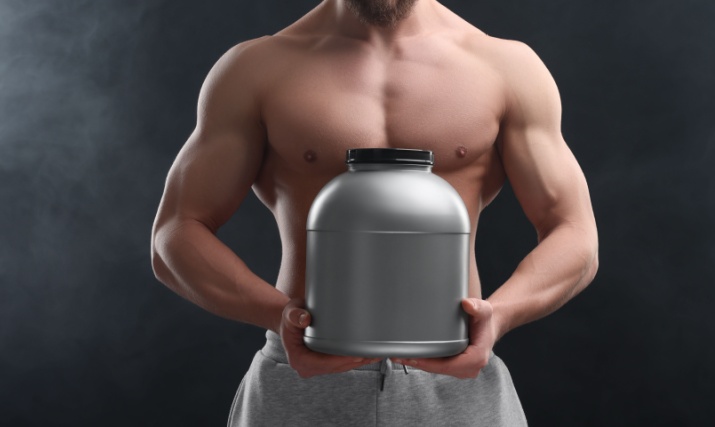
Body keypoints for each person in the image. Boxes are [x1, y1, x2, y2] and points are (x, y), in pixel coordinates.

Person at [150, 0, 599, 425]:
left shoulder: (505, 67)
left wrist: (499, 315)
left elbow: (574, 231)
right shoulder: (256, 69)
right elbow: (175, 232)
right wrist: (277, 316)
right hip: (301, 375)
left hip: (456, 379)